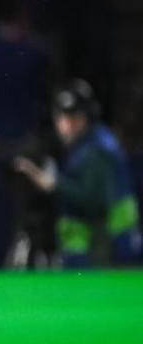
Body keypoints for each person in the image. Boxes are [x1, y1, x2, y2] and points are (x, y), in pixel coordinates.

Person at [14, 79, 141, 267]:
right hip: (97, 245)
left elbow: (93, 200)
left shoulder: (97, 150)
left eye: (75, 118)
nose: (67, 125)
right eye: (62, 118)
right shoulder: (81, 146)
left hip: (107, 245)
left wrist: (53, 184)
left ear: (88, 117)